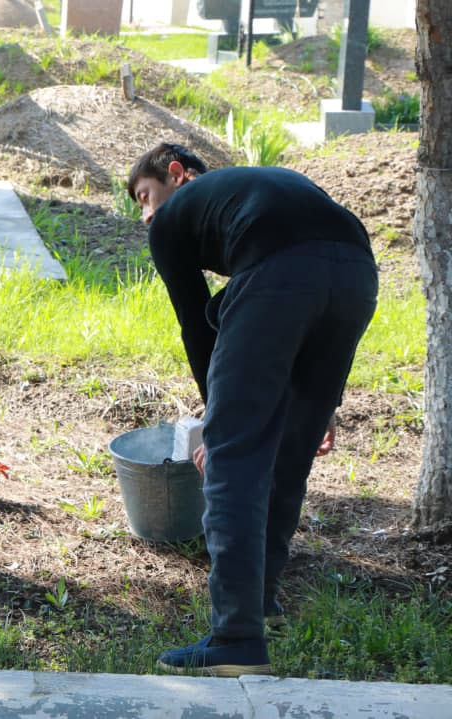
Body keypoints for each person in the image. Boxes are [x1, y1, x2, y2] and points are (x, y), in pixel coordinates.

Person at [126, 143, 377, 677]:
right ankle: (261, 600)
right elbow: (320, 266)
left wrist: (217, 423)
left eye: (145, 197)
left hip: (281, 272)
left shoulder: (172, 220)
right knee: (290, 453)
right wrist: (324, 398)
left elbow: (196, 322)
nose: (146, 214)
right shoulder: (252, 188)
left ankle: (236, 638)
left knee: (234, 459)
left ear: (177, 175)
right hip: (357, 273)